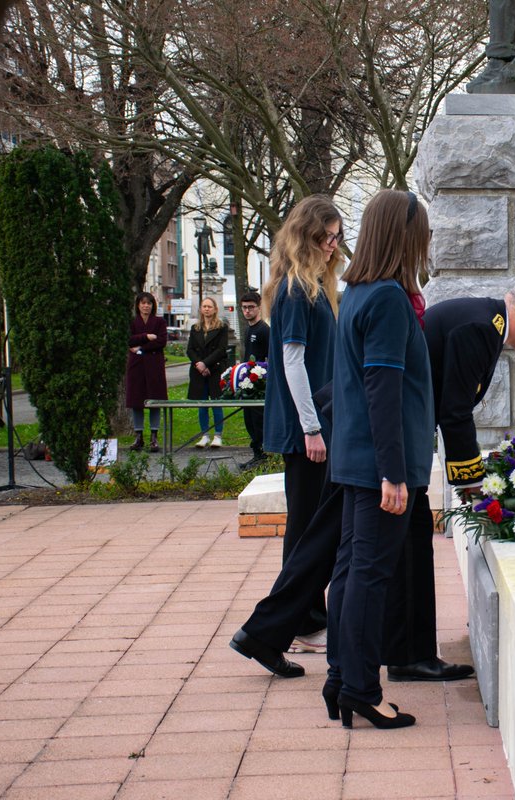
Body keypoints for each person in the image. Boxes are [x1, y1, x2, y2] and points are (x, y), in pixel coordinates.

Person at [382, 265, 515, 682]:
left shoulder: (484, 324)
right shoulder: (479, 329)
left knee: (411, 546)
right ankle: (269, 629)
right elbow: (454, 412)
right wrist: (471, 482)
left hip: (399, 437)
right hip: (386, 442)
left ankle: (409, 655)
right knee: (346, 542)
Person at [324, 189, 433, 729]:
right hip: (379, 463)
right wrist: (394, 471)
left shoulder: (360, 292)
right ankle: (362, 690)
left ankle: (343, 677)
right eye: (421, 234)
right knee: (368, 577)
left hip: (357, 457)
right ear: (403, 235)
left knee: (350, 572)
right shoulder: (387, 298)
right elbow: (382, 388)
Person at [229, 195, 344, 675]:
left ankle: (299, 621)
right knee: (308, 529)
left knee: (310, 526)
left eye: (337, 237)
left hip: (315, 420)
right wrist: (312, 427)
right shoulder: (298, 289)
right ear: (306, 237)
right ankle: (287, 626)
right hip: (308, 425)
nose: (333, 246)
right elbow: (293, 362)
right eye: (326, 237)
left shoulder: (312, 285)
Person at [125, 291, 167, 452]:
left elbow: (161, 341)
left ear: (152, 305)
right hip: (136, 366)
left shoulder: (159, 322)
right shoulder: (132, 322)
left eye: (148, 303)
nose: (146, 306)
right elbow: (128, 339)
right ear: (138, 305)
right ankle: (139, 436)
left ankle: (154, 436)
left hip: (154, 365)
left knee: (154, 400)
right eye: (143, 303)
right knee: (137, 401)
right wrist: (146, 336)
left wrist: (141, 346)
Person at [186, 297, 229, 448]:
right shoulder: (195, 328)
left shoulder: (222, 327)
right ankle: (204, 435)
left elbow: (221, 349)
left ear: (215, 309)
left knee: (216, 403)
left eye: (209, 306)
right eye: (204, 306)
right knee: (202, 404)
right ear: (200, 309)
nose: (206, 309)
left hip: (215, 369)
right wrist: (199, 364)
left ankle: (218, 435)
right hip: (199, 371)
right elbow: (190, 349)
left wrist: (206, 363)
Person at [239, 289, 270, 469]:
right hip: (248, 383)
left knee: (258, 421)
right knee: (249, 420)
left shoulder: (264, 330)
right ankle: (256, 453)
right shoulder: (248, 329)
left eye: (251, 307)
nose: (247, 311)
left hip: (259, 383)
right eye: (244, 308)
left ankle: (262, 455)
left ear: (259, 308)